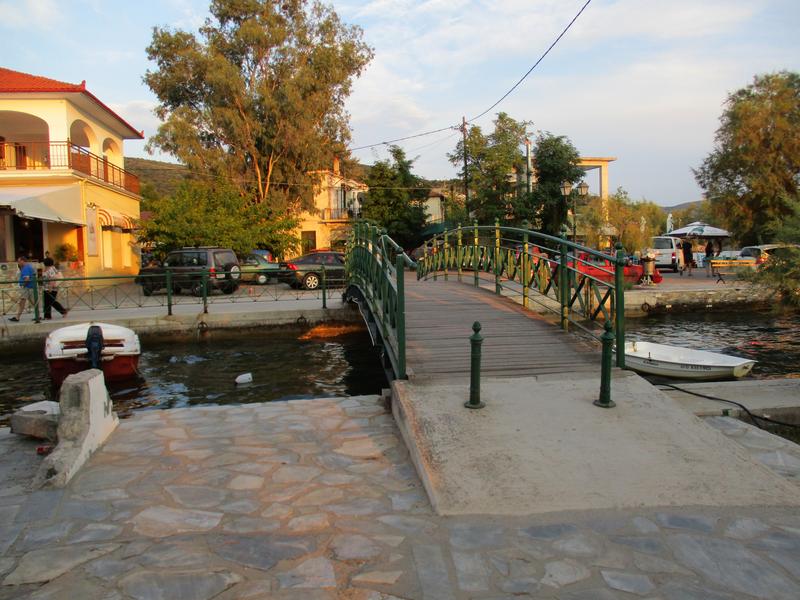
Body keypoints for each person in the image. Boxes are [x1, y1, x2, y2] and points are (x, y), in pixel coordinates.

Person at [9, 255, 37, 322]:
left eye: (19, 261)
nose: (18, 263)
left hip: (26, 288)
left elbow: (26, 279)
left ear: (22, 261)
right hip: (30, 287)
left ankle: (17, 317)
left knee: (22, 303)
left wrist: (23, 285)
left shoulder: (25, 268)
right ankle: (37, 316)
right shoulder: (29, 267)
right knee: (33, 302)